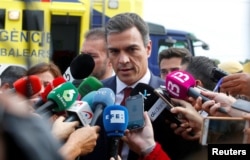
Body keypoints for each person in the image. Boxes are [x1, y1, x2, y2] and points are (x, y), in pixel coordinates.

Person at [82, 12, 201, 160]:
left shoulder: (174, 98)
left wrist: (200, 132)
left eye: (132, 49)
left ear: (148, 48)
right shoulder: (94, 93)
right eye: (114, 51)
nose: (123, 60)